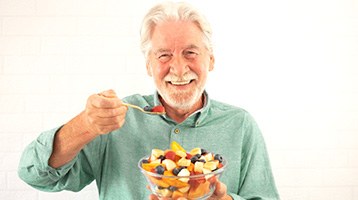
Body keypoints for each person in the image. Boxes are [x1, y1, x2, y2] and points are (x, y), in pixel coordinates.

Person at [18, 1, 280, 200]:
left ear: (210, 59)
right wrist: (85, 124)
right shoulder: (116, 120)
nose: (178, 69)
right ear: (148, 65)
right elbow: (35, 175)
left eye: (190, 53)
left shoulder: (240, 125)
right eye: (164, 55)